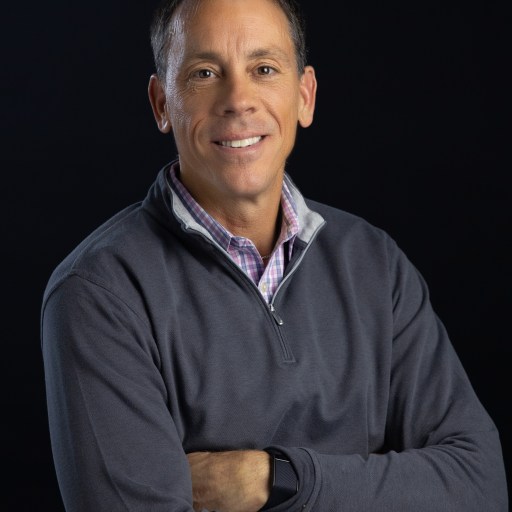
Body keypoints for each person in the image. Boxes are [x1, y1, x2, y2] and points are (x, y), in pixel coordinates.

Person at [40, 0, 508, 510]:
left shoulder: (376, 265)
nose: (238, 100)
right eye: (204, 72)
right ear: (161, 104)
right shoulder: (100, 294)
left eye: (263, 69)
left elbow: (479, 485)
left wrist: (278, 479)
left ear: (303, 97)